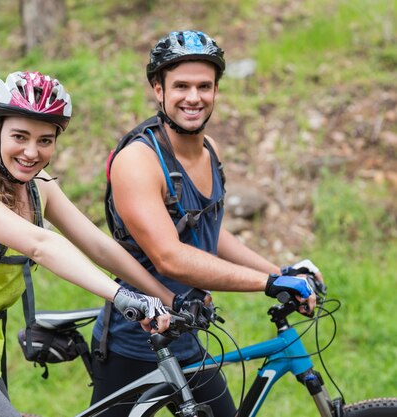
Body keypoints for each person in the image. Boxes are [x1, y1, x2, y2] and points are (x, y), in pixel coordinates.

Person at [0, 70, 174, 417]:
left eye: (44, 140)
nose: (31, 152)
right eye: (20, 136)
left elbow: (98, 246)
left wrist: (163, 296)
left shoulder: (41, 187)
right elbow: (41, 244)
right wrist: (121, 297)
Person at [90, 30, 324, 416]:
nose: (193, 97)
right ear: (158, 89)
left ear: (216, 90)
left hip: (186, 335)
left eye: (204, 86)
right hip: (134, 344)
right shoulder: (138, 162)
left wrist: (280, 271)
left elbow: (207, 234)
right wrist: (268, 283)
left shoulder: (210, 149)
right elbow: (170, 258)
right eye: (181, 85)